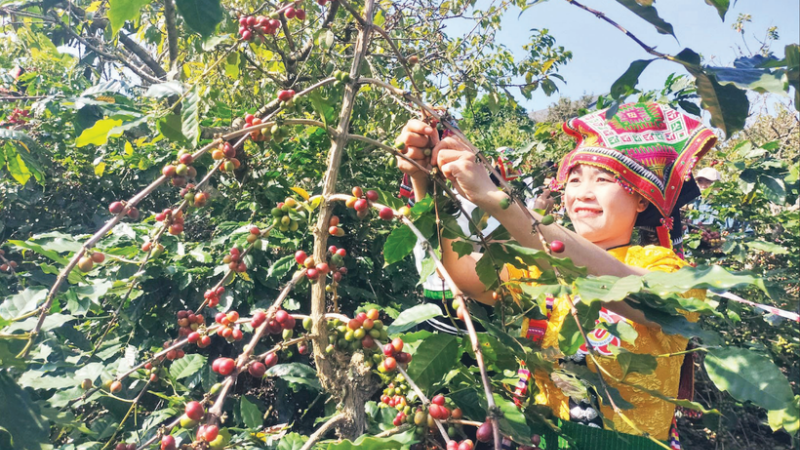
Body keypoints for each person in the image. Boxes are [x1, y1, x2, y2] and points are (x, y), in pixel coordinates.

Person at [394, 102, 716, 447]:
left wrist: (494, 196)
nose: (582, 193)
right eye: (574, 180)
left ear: (640, 199)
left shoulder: (671, 272)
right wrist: (425, 182)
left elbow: (615, 281)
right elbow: (458, 272)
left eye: (603, 179)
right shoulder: (534, 267)